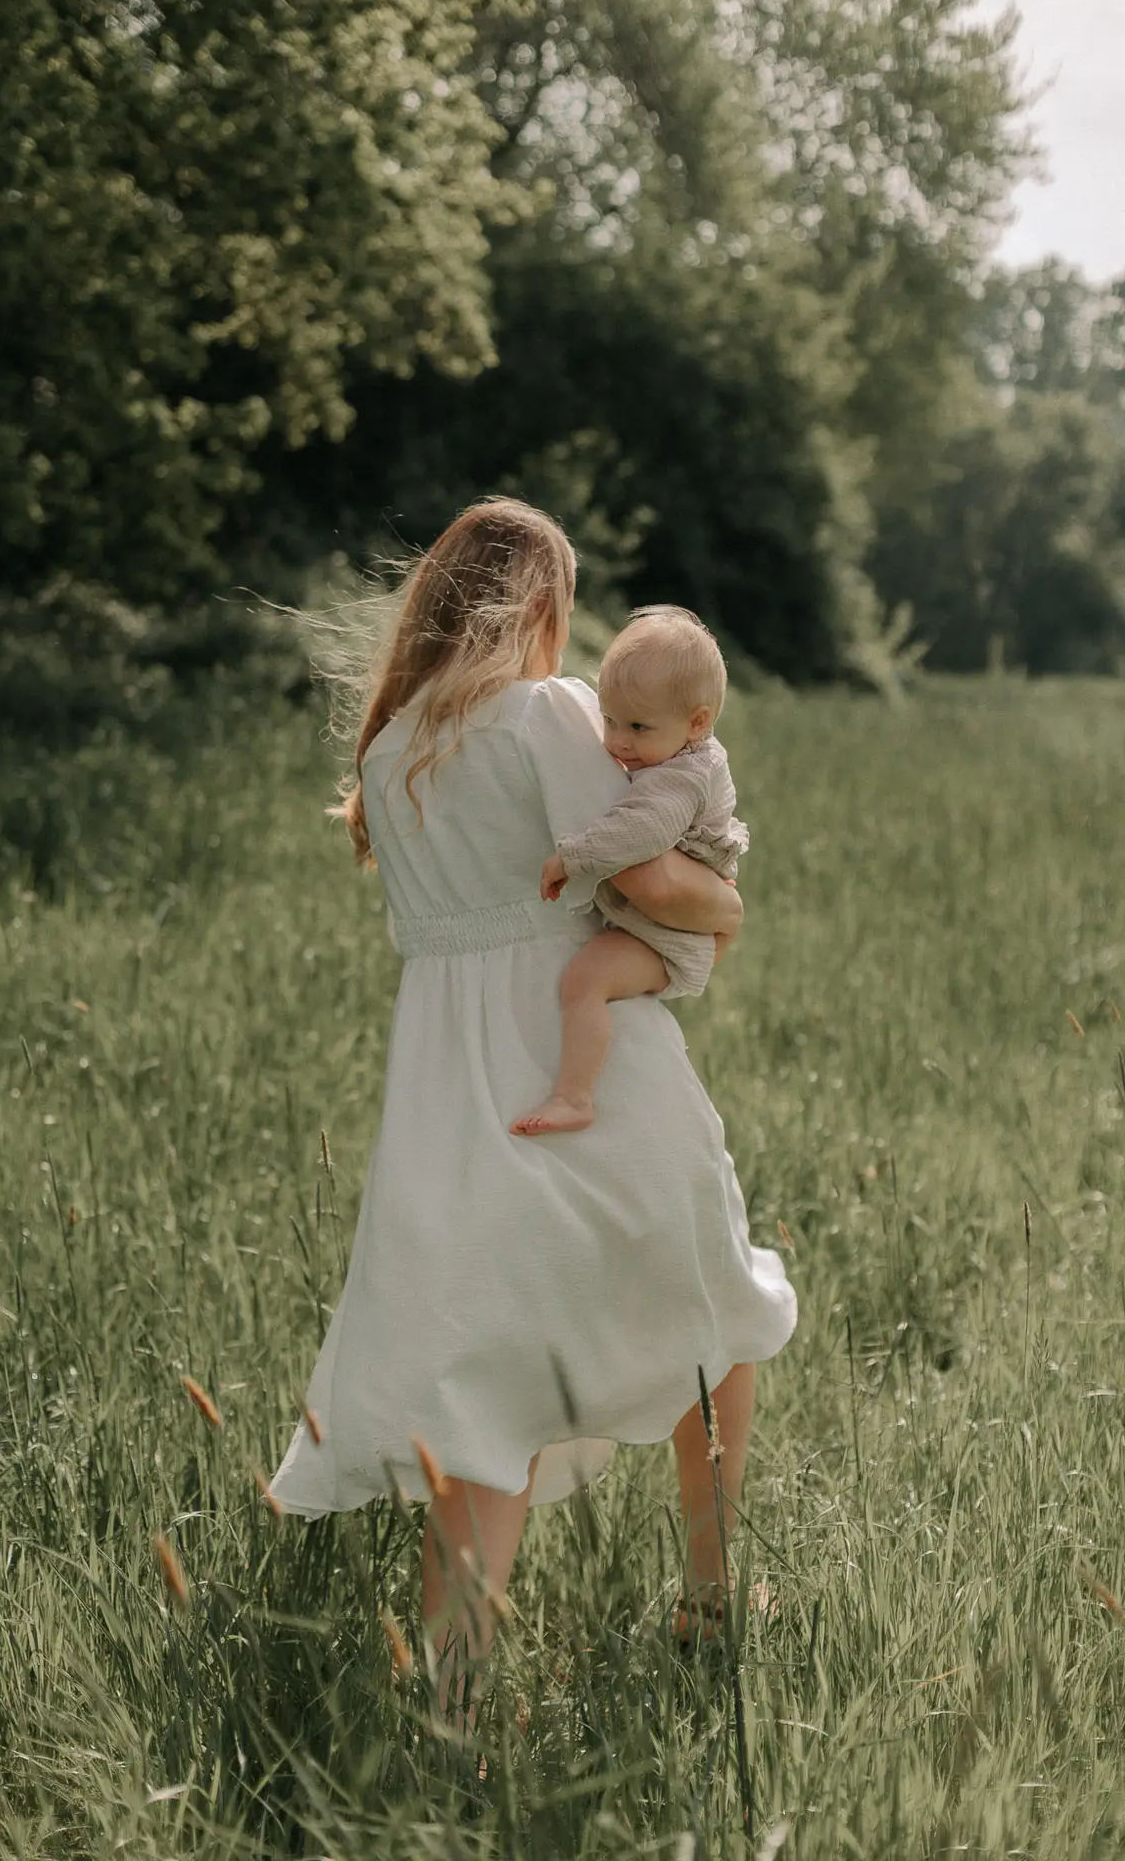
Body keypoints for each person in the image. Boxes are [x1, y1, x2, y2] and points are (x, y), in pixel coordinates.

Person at [267, 497, 796, 1721]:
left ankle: (454, 1693)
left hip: (448, 1099)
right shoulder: (549, 714)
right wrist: (726, 912)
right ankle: (709, 1597)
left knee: (482, 1387)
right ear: (538, 608)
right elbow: (654, 875)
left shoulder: (390, 752)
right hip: (592, 1076)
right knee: (712, 1317)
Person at [512, 604, 748, 1138]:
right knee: (585, 981)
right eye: (610, 719)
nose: (617, 741)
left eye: (637, 726)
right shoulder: (671, 752)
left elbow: (641, 834)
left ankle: (574, 1097)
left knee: (585, 981)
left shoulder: (682, 779)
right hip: (669, 924)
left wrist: (572, 856)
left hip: (668, 938)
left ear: (697, 722)